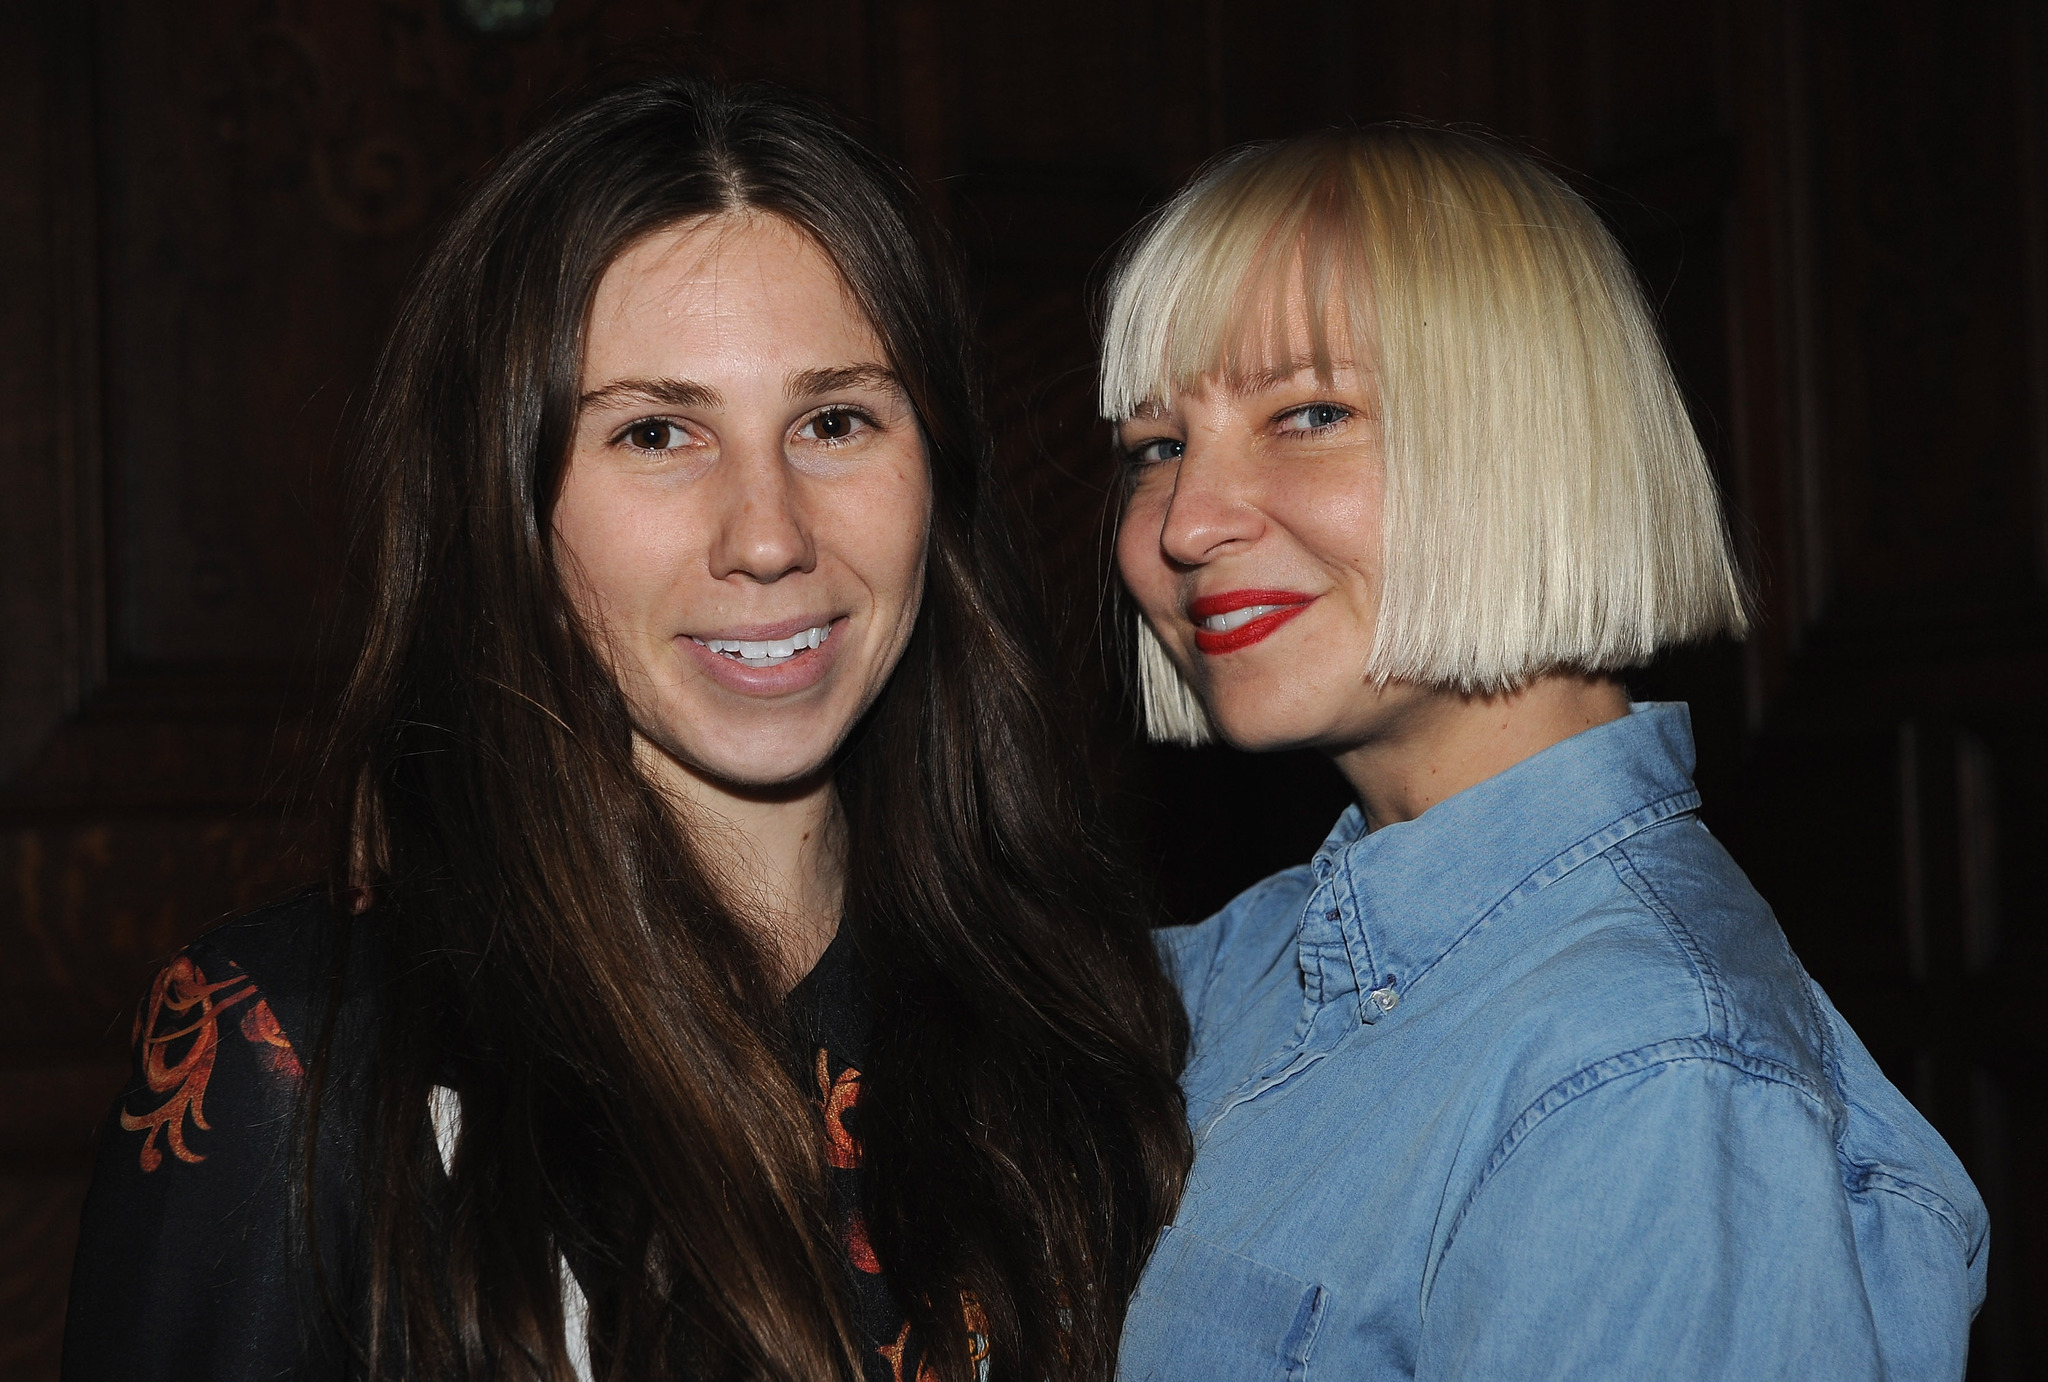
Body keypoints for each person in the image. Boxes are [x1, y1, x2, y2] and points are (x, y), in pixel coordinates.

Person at [63, 76, 1191, 1382]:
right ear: (509, 509)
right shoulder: (299, 1054)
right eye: (658, 432)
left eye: (836, 421)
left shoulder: (1082, 1016)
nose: (767, 534)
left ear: (937, 473)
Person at [1101, 127, 1987, 1380]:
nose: (1185, 521)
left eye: (1308, 413)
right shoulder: (1249, 963)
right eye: (1154, 445)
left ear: (1534, 441)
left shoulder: (1646, 1080)